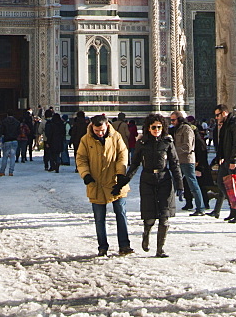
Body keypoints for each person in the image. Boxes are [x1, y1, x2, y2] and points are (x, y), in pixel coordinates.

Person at [116, 112, 183, 257]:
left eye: (159, 127)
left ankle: (160, 249)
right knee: (150, 216)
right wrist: (126, 179)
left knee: (164, 217)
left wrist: (179, 184)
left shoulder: (167, 142)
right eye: (154, 127)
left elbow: (174, 163)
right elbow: (135, 163)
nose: (156, 130)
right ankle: (146, 233)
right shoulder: (142, 143)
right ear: (148, 128)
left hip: (164, 179)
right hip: (147, 180)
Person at [76, 113, 133, 256]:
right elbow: (81, 159)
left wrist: (121, 174)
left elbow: (123, 155)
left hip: (115, 182)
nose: (100, 133)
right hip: (96, 184)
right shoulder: (85, 140)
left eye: (102, 130)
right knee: (99, 218)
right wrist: (86, 175)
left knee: (121, 213)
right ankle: (102, 247)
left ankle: (124, 245)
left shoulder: (116, 137)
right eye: (97, 131)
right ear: (92, 127)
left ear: (107, 125)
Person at [210, 103, 236, 221]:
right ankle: (234, 209)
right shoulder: (226, 125)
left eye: (218, 115)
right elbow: (222, 144)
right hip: (226, 159)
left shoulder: (235, 124)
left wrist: (233, 159)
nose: (216, 118)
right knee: (222, 183)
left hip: (234, 160)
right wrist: (220, 156)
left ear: (224, 113)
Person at [170, 110, 206, 216]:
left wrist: (174, 151)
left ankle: (200, 208)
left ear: (179, 119)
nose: (171, 122)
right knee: (172, 182)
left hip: (187, 160)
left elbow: (187, 146)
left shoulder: (186, 129)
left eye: (173, 120)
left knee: (192, 183)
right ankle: (167, 206)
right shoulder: (177, 129)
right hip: (178, 160)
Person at [0, 111, 20, 176]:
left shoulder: (4, 121)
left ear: (7, 115)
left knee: (5, 156)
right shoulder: (17, 122)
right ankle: (11, 172)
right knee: (12, 156)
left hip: (7, 140)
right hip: (14, 140)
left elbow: (1, 131)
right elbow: (19, 131)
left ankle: (2, 171)